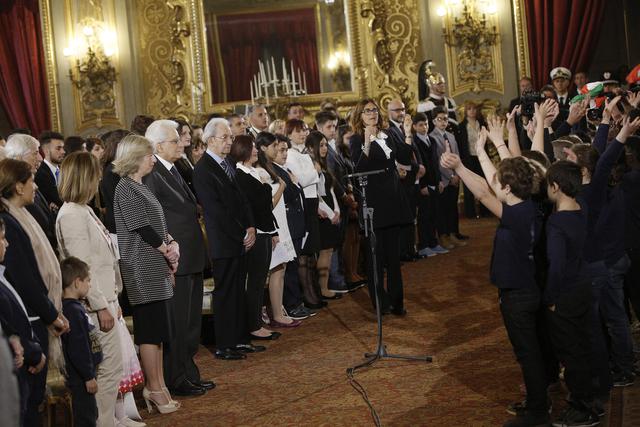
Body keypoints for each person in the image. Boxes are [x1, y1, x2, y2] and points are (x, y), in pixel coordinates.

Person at [441, 132, 550, 427]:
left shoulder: (516, 215)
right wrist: (474, 157)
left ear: (507, 187)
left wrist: (462, 166)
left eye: (500, 181)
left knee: (527, 352)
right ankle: (539, 399)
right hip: (528, 289)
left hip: (518, 294)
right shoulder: (528, 207)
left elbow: (484, 193)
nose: (495, 183)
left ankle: (538, 411)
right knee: (532, 348)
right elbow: (489, 189)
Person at [56, 152, 130, 427]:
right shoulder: (72, 214)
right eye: (95, 175)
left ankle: (108, 421)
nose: (100, 179)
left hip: (105, 298)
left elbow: (105, 257)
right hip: (92, 305)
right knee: (108, 370)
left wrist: (113, 296)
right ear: (84, 178)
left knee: (112, 369)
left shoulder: (83, 209)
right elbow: (83, 267)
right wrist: (100, 304)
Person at [143, 120, 213, 397]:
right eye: (175, 140)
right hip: (176, 258)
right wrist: (167, 255)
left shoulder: (173, 169)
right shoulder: (152, 173)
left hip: (191, 255)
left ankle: (189, 371)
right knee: (180, 323)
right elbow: (155, 218)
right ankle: (177, 376)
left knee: (192, 321)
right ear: (159, 146)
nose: (181, 143)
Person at [112, 135, 179, 414]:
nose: (153, 159)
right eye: (149, 154)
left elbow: (156, 223)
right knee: (150, 332)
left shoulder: (141, 185)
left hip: (155, 262)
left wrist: (172, 244)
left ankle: (160, 385)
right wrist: (166, 249)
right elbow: (140, 226)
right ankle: (152, 387)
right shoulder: (124, 187)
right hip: (140, 266)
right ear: (135, 158)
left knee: (160, 330)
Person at [0, 158, 69, 426]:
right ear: (18, 187)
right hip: (28, 319)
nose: (36, 187)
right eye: (31, 181)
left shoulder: (20, 215)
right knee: (30, 398)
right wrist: (51, 314)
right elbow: (24, 278)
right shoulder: (9, 221)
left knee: (34, 395)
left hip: (34, 314)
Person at [193, 118, 258, 360]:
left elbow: (242, 199)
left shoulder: (228, 163)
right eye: (226, 137)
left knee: (239, 291)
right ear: (210, 140)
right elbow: (215, 209)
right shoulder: (203, 169)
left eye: (231, 137)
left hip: (240, 236)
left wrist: (250, 226)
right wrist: (241, 232)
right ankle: (225, 344)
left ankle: (240, 339)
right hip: (223, 239)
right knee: (226, 292)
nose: (230, 141)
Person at [543, 161, 600, 427]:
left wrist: (550, 298)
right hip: (584, 285)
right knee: (584, 344)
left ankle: (581, 408)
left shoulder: (556, 223)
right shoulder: (582, 207)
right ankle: (591, 399)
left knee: (571, 351)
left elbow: (556, 266)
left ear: (555, 187)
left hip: (565, 293)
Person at [349, 98, 412, 315]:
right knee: (376, 258)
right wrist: (367, 141)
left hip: (392, 198)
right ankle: (380, 303)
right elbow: (359, 169)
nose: (372, 114)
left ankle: (397, 302)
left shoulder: (388, 134)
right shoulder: (356, 139)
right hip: (373, 202)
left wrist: (408, 133)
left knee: (394, 258)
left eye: (374, 110)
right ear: (359, 115)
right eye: (367, 111)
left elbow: (405, 157)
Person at [231, 135, 281, 335]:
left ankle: (257, 322)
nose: (255, 151)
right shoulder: (239, 175)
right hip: (255, 232)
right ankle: (253, 325)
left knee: (260, 280)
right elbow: (253, 205)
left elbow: (265, 206)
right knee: (255, 281)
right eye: (251, 147)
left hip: (265, 230)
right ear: (242, 150)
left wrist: (274, 231)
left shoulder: (252, 172)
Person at [0, 216, 45, 425]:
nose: (7, 243)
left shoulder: (4, 276)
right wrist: (33, 352)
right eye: (2, 238)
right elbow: (10, 325)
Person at [255, 132, 302, 328]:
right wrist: (283, 186)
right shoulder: (260, 170)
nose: (278, 149)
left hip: (280, 223)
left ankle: (278, 308)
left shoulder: (271, 168)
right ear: (264, 148)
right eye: (274, 146)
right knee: (274, 270)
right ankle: (274, 311)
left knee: (281, 268)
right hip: (272, 225)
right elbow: (266, 205)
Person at [271, 136, 315, 320]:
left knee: (295, 263)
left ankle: (296, 302)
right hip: (288, 223)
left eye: (285, 150)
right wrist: (294, 183)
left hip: (297, 222)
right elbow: (287, 194)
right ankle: (292, 304)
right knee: (289, 267)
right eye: (280, 149)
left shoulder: (284, 169)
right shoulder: (274, 171)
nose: (284, 153)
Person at [60, 256, 103, 427]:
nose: (90, 284)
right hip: (80, 378)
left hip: (84, 375)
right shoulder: (72, 311)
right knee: (86, 417)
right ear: (77, 282)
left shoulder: (75, 307)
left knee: (90, 413)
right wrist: (88, 376)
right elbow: (78, 348)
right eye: (88, 280)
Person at [285, 119, 323, 309]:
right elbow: (298, 180)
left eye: (305, 130)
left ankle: (313, 291)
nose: (303, 134)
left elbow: (313, 180)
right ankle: (307, 295)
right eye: (299, 131)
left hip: (312, 201)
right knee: (303, 252)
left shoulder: (306, 154)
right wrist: (315, 171)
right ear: (290, 133)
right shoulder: (290, 155)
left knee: (310, 253)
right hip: (303, 204)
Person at [4, 133, 58, 251]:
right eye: (35, 153)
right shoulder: (15, 192)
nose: (39, 158)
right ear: (19, 157)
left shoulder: (31, 184)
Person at [316, 110, 350, 293]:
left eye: (335, 126)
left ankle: (339, 277)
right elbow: (332, 179)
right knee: (331, 246)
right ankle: (335, 280)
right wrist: (343, 194)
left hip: (339, 201)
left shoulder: (332, 146)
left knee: (339, 241)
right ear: (319, 127)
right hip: (331, 201)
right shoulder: (323, 150)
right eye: (329, 126)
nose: (333, 130)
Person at [306, 131, 342, 300]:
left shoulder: (324, 163)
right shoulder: (311, 165)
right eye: (320, 145)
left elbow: (331, 189)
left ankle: (325, 287)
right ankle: (323, 288)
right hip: (321, 212)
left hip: (330, 209)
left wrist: (337, 210)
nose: (324, 148)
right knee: (324, 251)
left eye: (325, 144)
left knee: (329, 250)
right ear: (311, 148)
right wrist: (329, 213)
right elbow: (316, 194)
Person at [412, 113, 449, 258]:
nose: (424, 127)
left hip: (435, 182)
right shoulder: (414, 141)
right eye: (421, 125)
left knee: (434, 214)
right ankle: (423, 245)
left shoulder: (432, 140)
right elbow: (418, 166)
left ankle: (434, 243)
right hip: (424, 185)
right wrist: (422, 185)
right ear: (414, 127)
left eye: (426, 124)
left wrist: (439, 180)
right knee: (424, 216)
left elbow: (435, 163)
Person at [430, 106, 466, 249]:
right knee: (442, 209)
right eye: (440, 119)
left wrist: (457, 174)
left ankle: (453, 234)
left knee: (452, 208)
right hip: (444, 180)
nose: (443, 122)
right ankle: (443, 236)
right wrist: (450, 176)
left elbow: (456, 156)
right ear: (434, 121)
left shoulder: (451, 136)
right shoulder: (432, 137)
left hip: (454, 178)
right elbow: (438, 161)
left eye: (445, 119)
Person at [455, 100, 489, 219]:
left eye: (474, 108)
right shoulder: (461, 126)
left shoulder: (482, 123)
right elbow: (461, 145)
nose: (472, 111)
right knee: (469, 186)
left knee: (484, 183)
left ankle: (485, 210)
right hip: (468, 158)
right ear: (465, 111)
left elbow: (486, 142)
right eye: (469, 109)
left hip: (482, 157)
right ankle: (470, 213)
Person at [35, 131, 65, 211]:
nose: (63, 152)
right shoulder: (40, 175)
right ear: (46, 151)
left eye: (63, 148)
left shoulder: (65, 170)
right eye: (58, 148)